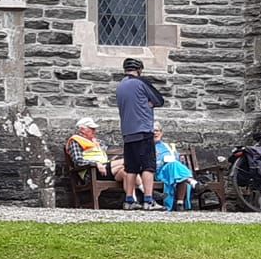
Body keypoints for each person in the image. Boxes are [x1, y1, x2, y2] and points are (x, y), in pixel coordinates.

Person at [116, 57, 166, 211]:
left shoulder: (120, 87)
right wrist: (148, 103)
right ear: (139, 70)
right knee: (148, 167)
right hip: (143, 130)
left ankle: (129, 200)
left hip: (127, 132)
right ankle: (149, 200)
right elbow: (159, 100)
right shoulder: (141, 82)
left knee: (131, 167)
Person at [66, 117, 119, 185]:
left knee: (125, 171)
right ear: (82, 130)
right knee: (127, 163)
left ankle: (131, 195)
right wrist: (96, 163)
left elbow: (100, 155)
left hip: (104, 169)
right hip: (91, 172)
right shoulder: (76, 141)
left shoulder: (95, 141)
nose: (95, 131)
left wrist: (111, 160)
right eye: (92, 129)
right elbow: (78, 161)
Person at [154, 125, 194, 211]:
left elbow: (176, 158)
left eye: (157, 130)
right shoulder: (147, 146)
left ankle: (180, 203)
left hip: (174, 172)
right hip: (158, 173)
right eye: (152, 131)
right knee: (175, 168)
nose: (155, 133)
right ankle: (191, 181)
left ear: (161, 133)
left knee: (176, 168)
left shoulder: (167, 146)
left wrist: (180, 158)